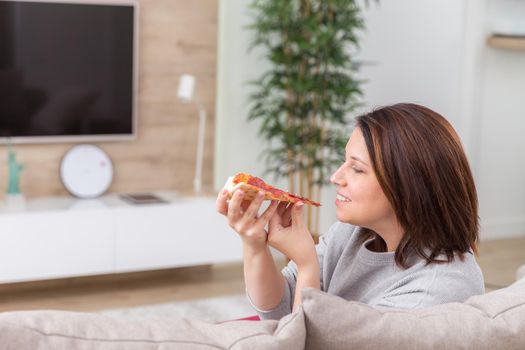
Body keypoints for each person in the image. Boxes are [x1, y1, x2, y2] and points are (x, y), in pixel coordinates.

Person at [216, 103, 485, 320]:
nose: (335, 177)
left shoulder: (435, 289)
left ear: (408, 186)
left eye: (356, 169)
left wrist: (307, 264)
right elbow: (280, 309)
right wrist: (254, 245)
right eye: (344, 162)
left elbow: (303, 343)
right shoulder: (351, 234)